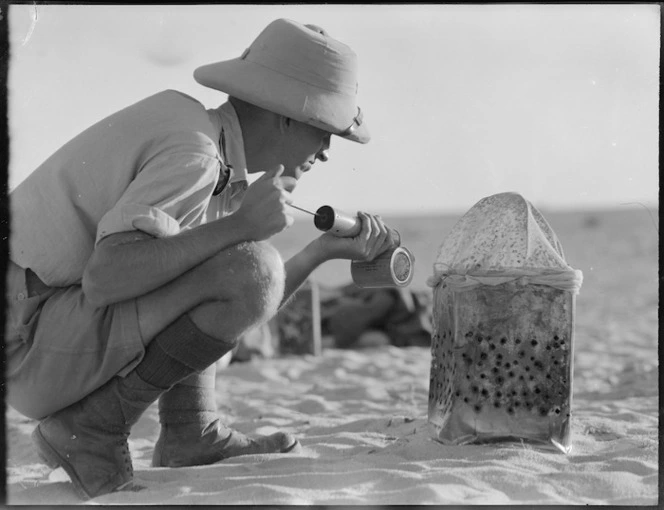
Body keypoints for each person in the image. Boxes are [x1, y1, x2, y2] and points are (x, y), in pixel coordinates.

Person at [5, 18, 393, 499]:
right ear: (288, 114)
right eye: (326, 131)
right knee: (244, 261)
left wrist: (322, 252)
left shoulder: (202, 140)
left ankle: (192, 431)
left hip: (36, 333)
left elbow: (230, 298)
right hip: (28, 341)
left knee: (237, 262)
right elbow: (106, 278)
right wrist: (239, 229)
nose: (328, 151)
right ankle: (92, 431)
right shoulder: (196, 154)